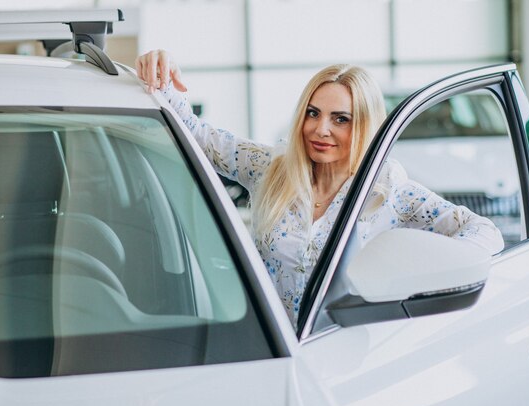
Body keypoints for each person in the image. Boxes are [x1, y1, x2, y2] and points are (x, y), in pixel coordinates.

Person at [136, 50, 504, 326]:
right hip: (270, 346)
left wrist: (424, 271)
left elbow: (484, 232)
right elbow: (197, 135)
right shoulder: (271, 168)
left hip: (347, 355)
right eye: (313, 113)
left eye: (340, 119)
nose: (320, 129)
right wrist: (161, 72)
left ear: (364, 125)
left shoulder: (389, 192)